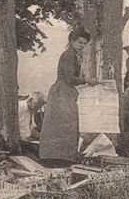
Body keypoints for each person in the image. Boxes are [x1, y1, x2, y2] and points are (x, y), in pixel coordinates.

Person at [39, 28, 97, 162]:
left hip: (66, 92)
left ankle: (62, 157)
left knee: (67, 125)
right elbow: (70, 78)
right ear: (72, 41)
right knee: (63, 124)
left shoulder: (74, 55)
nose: (82, 46)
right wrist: (87, 80)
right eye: (80, 43)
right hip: (61, 92)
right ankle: (55, 157)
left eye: (84, 44)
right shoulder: (68, 55)